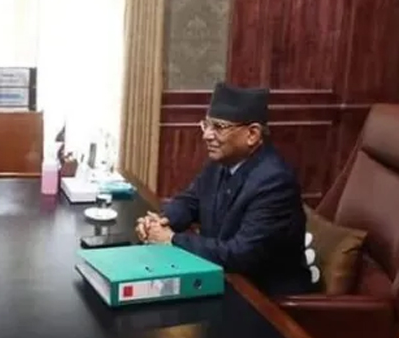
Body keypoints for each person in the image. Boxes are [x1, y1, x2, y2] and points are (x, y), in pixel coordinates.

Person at [135, 83, 317, 296]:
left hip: (264, 298)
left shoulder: (275, 182)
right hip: (225, 278)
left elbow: (241, 254)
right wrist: (162, 221)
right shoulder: (221, 162)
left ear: (252, 134)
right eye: (206, 125)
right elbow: (190, 201)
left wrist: (172, 239)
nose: (206, 135)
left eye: (218, 127)